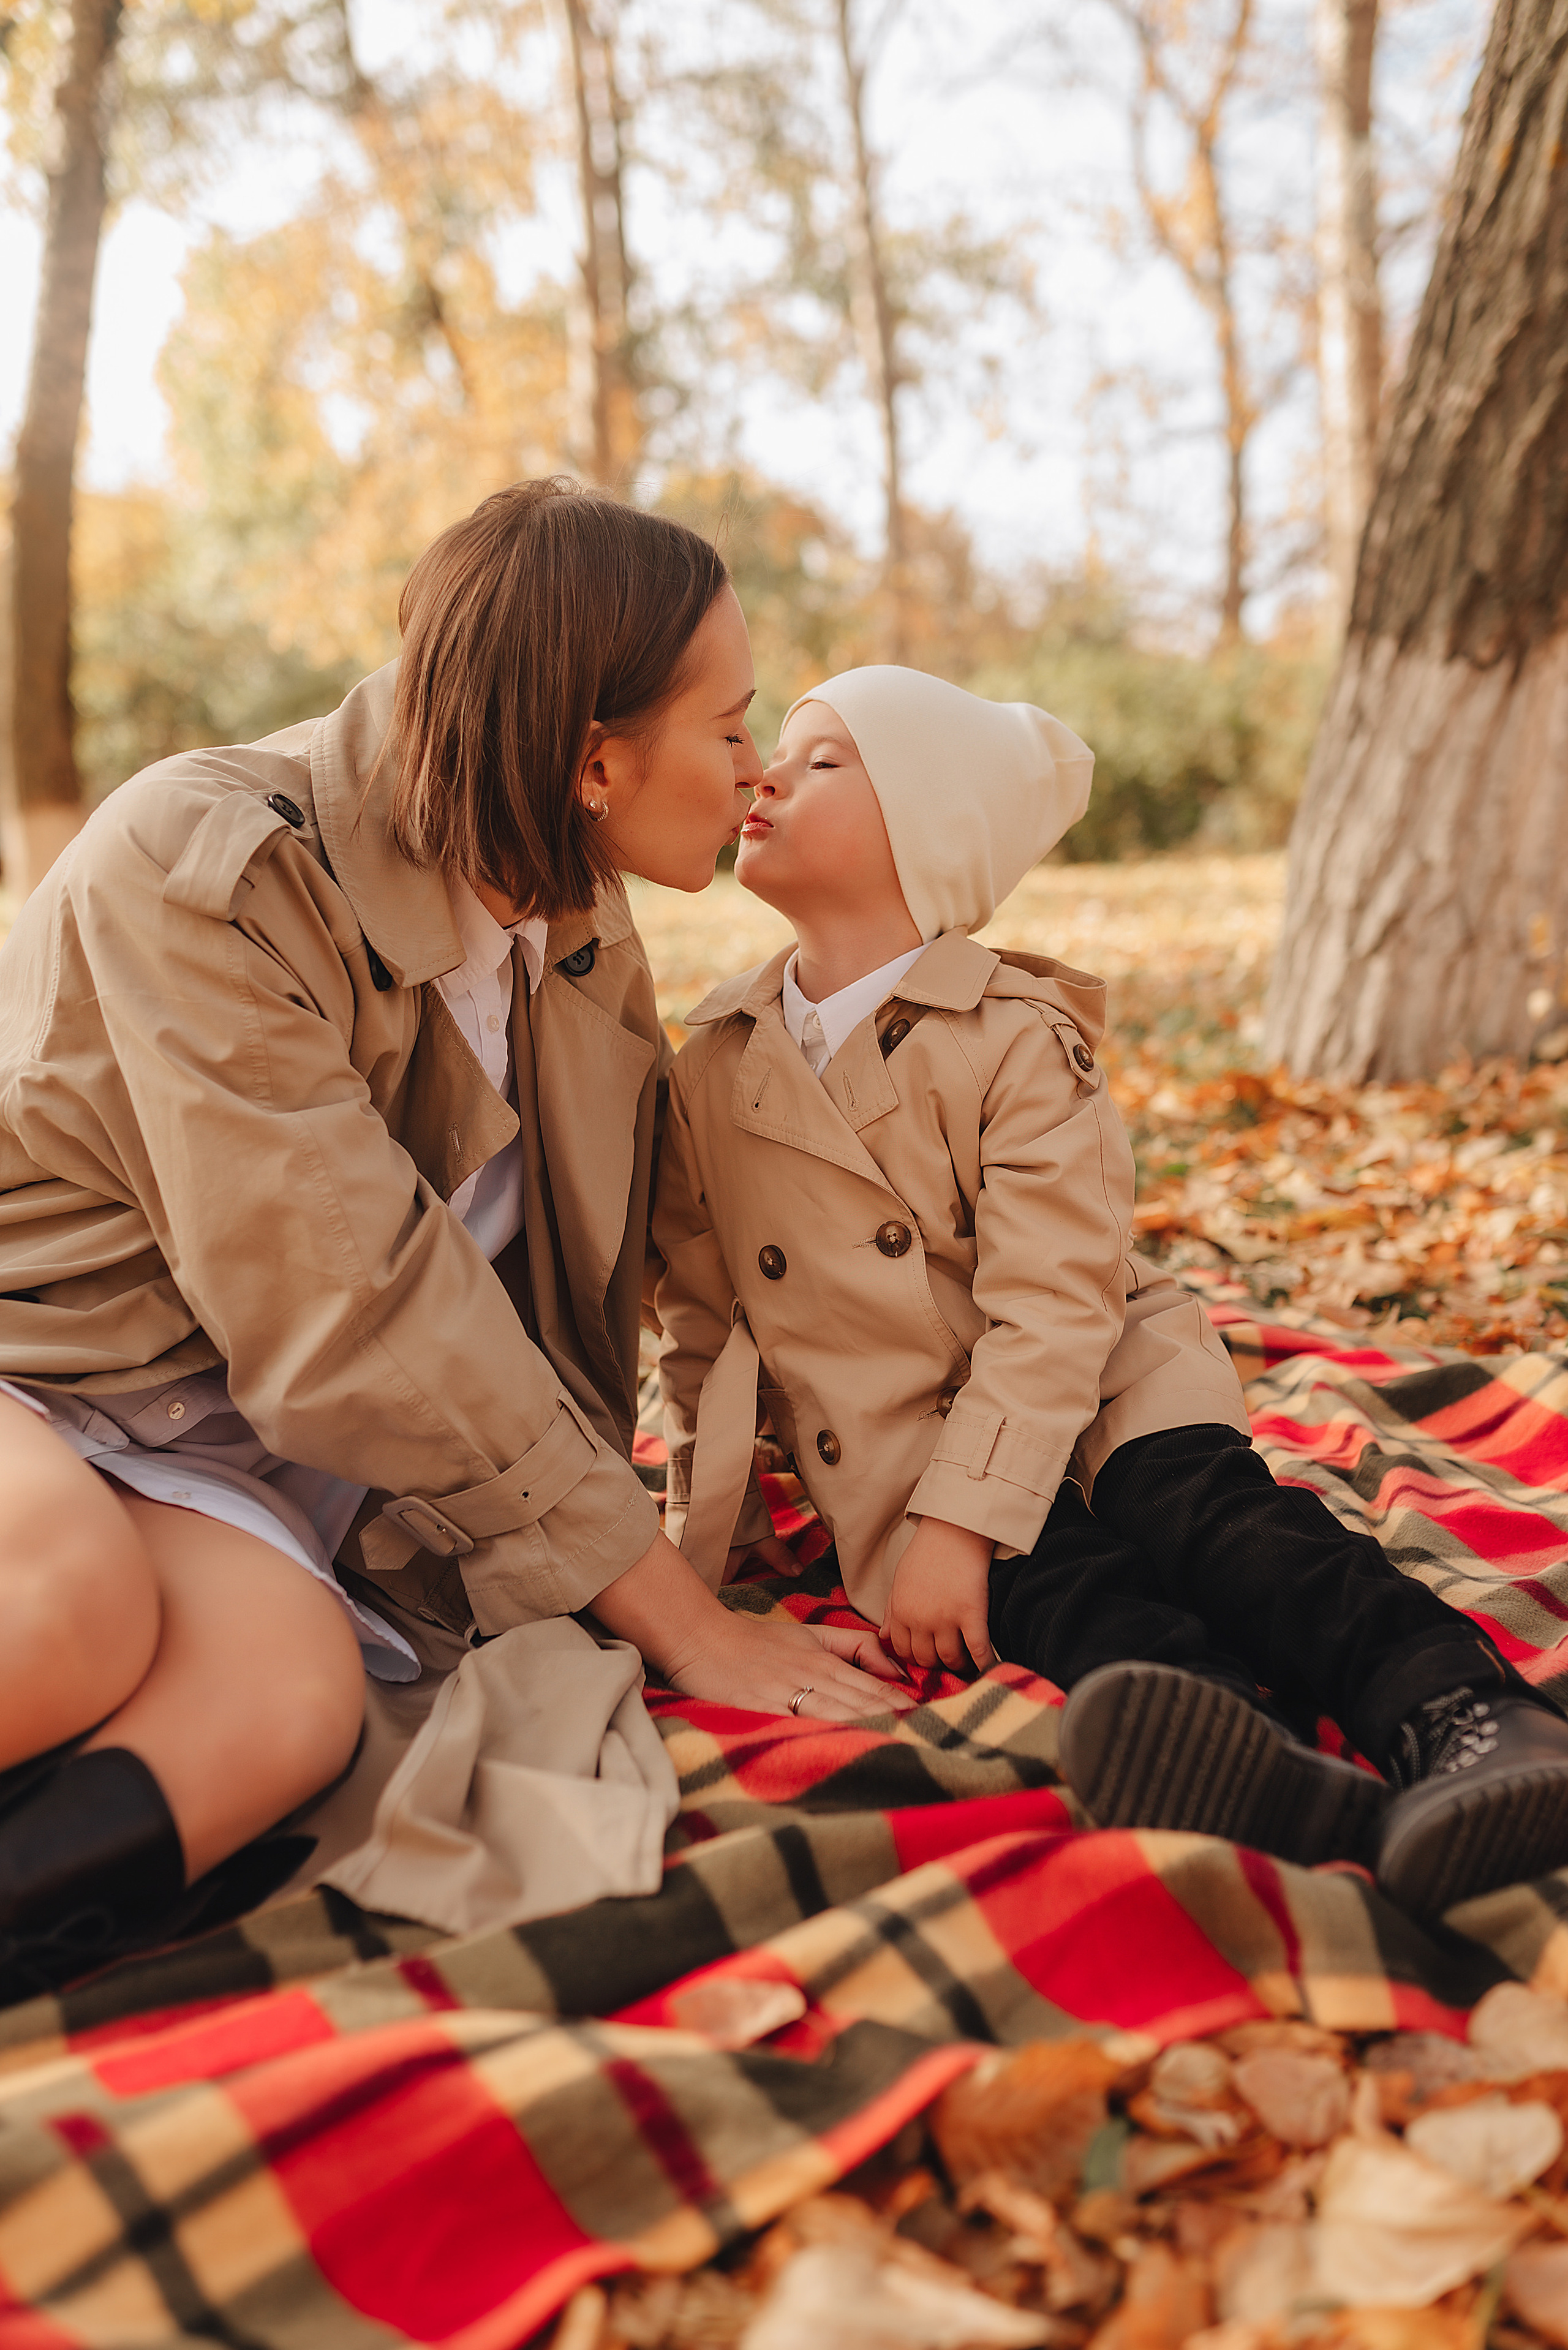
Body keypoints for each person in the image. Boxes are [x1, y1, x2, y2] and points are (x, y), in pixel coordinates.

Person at [0, 482, 910, 2005]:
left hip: (222, 1438)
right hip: (46, 1364)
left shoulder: (570, 915)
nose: (754, 766)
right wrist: (675, 1616)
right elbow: (355, 1300)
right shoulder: (207, 864)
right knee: (72, 1608)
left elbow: (606, 1268)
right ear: (591, 758)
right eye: (734, 723)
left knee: (290, 1705)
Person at [653, 663, 1568, 1920]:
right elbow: (702, 1320)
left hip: (1096, 1382)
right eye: (776, 751)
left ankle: (1464, 1715)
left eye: (822, 760)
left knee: (1214, 1521)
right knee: (1057, 1600)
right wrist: (716, 1543)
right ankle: (1264, 1765)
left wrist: (963, 1520)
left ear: (927, 831)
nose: (763, 773)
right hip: (901, 1455)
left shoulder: (1013, 1032)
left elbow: (1056, 1300)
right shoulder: (715, 1061)